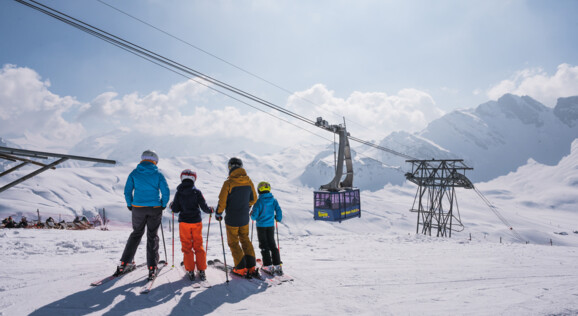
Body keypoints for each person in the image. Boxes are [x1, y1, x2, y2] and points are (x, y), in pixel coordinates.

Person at [117, 149, 170, 280]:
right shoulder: (158, 174)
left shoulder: (134, 173)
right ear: (155, 161)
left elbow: (127, 191)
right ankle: (152, 268)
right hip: (154, 208)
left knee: (136, 234)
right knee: (152, 236)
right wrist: (163, 204)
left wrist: (130, 204)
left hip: (138, 208)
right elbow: (166, 191)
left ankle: (124, 263)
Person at [214, 157, 258, 277]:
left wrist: (218, 213)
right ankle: (251, 266)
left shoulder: (228, 183)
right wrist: (246, 206)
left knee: (234, 242)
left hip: (232, 219)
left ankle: (240, 268)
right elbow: (254, 199)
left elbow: (222, 201)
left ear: (229, 168)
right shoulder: (249, 181)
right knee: (245, 239)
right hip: (244, 218)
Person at [170, 169, 213, 281]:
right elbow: (204, 207)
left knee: (187, 246)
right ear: (194, 178)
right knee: (198, 245)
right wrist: (210, 210)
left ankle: (190, 269)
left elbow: (175, 209)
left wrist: (172, 205)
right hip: (196, 222)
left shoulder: (179, 193)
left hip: (184, 223)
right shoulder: (197, 192)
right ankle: (202, 269)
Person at [250, 181, 284, 275]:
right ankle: (277, 264)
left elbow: (254, 216)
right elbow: (278, 210)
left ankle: (268, 265)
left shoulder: (259, 201)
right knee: (272, 244)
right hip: (271, 225)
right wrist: (278, 218)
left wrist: (252, 215)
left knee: (264, 245)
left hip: (261, 226)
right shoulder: (273, 200)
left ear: (259, 190)